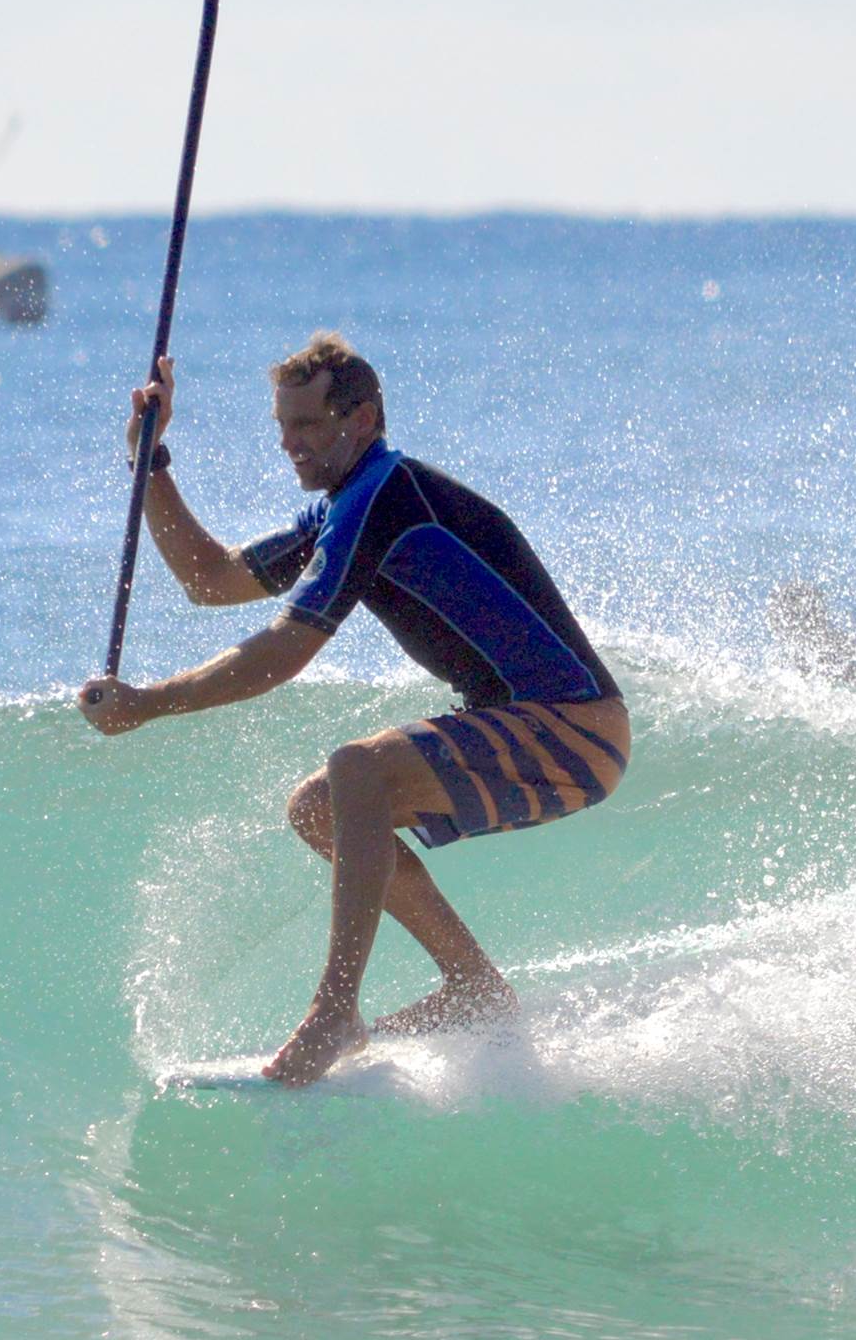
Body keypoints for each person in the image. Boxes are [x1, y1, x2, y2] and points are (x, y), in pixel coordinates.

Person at [77, 333, 628, 1085]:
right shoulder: (344, 509)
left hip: (572, 725)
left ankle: (335, 1009)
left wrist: (148, 703)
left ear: (362, 418)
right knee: (320, 809)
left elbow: (283, 651)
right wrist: (150, 461)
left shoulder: (385, 498)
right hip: (550, 732)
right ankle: (474, 988)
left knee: (356, 770)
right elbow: (210, 579)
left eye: (306, 425)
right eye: (282, 426)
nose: (288, 443)